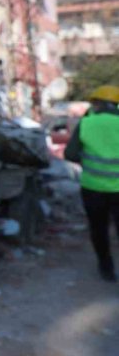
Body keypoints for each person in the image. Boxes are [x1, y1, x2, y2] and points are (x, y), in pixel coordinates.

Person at [65, 85, 119, 282]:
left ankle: (106, 270)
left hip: (93, 187)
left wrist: (87, 161)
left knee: (99, 229)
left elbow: (70, 154)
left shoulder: (86, 123)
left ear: (97, 103)